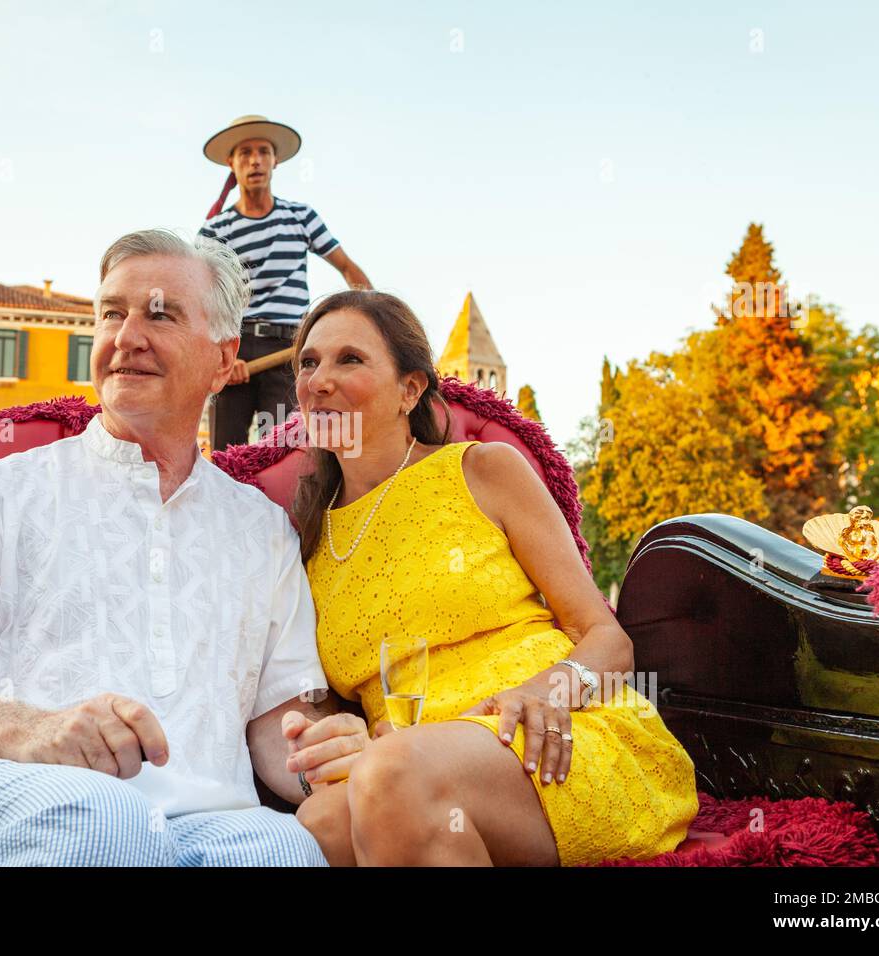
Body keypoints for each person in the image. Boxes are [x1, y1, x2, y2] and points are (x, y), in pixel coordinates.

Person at [0, 229, 366, 867]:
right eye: (112, 313)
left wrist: (322, 755)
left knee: (281, 851)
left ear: (225, 361)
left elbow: (277, 721)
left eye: (160, 314)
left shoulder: (262, 529)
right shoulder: (7, 491)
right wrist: (32, 731)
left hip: (197, 823)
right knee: (98, 819)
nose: (127, 337)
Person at [286, 290, 701, 866]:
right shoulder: (305, 541)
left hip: (551, 733)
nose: (319, 380)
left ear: (410, 389)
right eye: (309, 362)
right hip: (405, 763)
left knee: (390, 776)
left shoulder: (482, 469)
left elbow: (609, 639)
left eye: (349, 359)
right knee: (319, 823)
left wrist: (545, 690)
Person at [198, 114, 372, 451]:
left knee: (285, 454)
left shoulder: (301, 217)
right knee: (226, 456)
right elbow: (202, 299)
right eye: (245, 152)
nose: (255, 160)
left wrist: (369, 320)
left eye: (263, 151)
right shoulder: (215, 231)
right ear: (231, 163)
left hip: (289, 351)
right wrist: (218, 353)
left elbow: (349, 269)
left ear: (275, 160)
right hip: (234, 349)